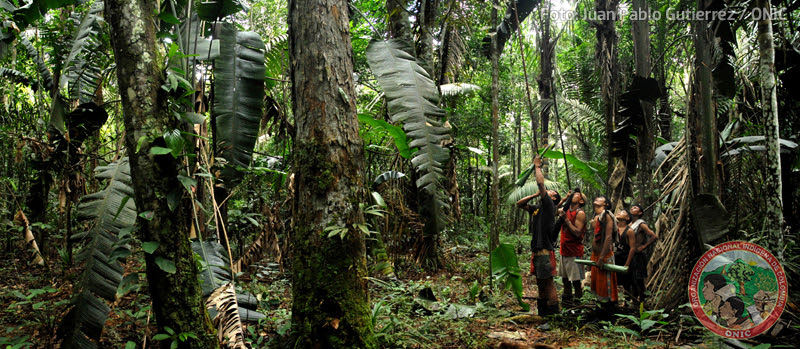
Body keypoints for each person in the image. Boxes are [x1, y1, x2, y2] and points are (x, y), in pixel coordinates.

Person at [516, 155, 561, 316]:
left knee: (548, 283)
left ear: (553, 198)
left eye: (551, 192)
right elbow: (519, 204)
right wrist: (534, 195)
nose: (546, 191)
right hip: (537, 251)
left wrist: (537, 167)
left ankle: (553, 314)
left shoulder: (549, 206)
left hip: (544, 251)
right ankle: (543, 314)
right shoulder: (537, 208)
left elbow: (541, 183)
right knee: (540, 283)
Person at [589, 195, 618, 317]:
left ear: (606, 204)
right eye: (595, 199)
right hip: (596, 255)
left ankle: (608, 315)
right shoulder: (598, 217)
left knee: (606, 286)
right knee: (598, 286)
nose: (596, 200)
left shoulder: (607, 215)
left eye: (599, 199)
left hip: (604, 256)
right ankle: (600, 313)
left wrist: (601, 257)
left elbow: (608, 237)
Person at [556, 190, 587, 305]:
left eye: (576, 194)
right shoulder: (566, 210)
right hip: (564, 251)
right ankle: (567, 304)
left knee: (576, 282)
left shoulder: (580, 213)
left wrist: (566, 220)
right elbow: (553, 210)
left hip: (574, 252)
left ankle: (578, 306)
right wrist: (564, 200)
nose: (573, 195)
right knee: (565, 280)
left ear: (581, 200)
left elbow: (578, 233)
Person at [627, 205, 658, 304]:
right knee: (631, 279)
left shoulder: (641, 224)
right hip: (630, 254)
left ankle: (642, 301)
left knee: (639, 279)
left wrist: (643, 247)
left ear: (640, 213)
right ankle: (633, 300)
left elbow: (653, 236)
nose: (632, 209)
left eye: (635, 208)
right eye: (632, 208)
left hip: (638, 255)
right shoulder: (630, 224)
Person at [613, 210, 637, 304]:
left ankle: (628, 303)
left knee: (627, 283)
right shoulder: (614, 229)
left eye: (622, 212)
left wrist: (627, 263)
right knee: (614, 281)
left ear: (627, 218)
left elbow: (632, 248)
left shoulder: (629, 231)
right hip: (615, 259)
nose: (619, 213)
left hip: (625, 259)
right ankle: (615, 301)